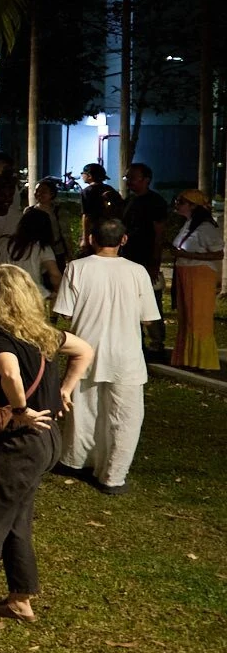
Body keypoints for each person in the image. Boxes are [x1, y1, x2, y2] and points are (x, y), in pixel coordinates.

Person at [0, 265, 91, 635]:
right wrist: (65, 391)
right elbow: (85, 350)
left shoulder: (1, 338)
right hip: (48, 440)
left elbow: (8, 374)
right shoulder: (45, 336)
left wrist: (20, 410)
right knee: (17, 517)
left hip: (18, 444)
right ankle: (20, 598)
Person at [52, 215, 159, 494]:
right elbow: (149, 318)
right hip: (126, 355)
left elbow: (64, 311)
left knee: (84, 410)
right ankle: (113, 475)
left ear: (91, 239)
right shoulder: (138, 271)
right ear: (124, 240)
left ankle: (76, 461)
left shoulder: (76, 268)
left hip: (85, 351)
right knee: (125, 417)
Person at [121, 162, 171, 355]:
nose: (129, 181)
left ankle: (157, 343)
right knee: (130, 303)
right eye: (127, 177)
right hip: (128, 259)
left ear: (146, 180)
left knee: (151, 301)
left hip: (145, 259)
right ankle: (138, 342)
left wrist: (154, 262)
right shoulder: (129, 201)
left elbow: (159, 234)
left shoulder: (155, 202)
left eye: (132, 177)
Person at [169, 189, 221, 373]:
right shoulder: (189, 224)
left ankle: (203, 361)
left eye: (181, 201)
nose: (177, 204)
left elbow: (218, 253)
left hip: (200, 274)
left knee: (198, 317)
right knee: (187, 317)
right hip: (186, 273)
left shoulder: (206, 227)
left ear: (193, 205)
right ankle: (187, 357)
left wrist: (187, 254)